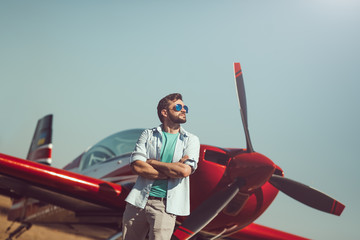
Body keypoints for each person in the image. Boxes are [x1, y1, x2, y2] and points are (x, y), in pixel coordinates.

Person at [122, 93, 200, 240]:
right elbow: (137, 167)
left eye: (185, 107)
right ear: (165, 112)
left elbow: (184, 171)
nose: (183, 110)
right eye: (178, 107)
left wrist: (152, 162)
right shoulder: (148, 134)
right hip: (138, 201)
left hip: (165, 207)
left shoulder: (192, 140)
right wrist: (171, 170)